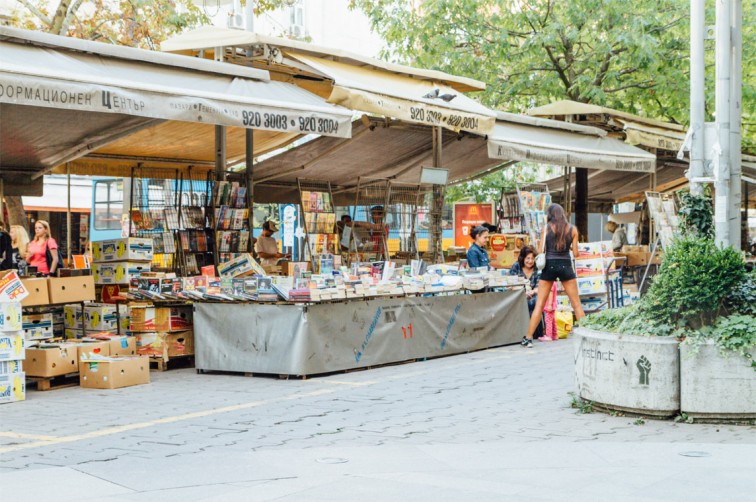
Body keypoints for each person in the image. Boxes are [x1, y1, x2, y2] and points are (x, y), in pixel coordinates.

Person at [522, 204, 585, 348]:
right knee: (576, 304)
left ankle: (528, 338)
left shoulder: (547, 228)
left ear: (550, 214)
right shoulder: (573, 229)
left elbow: (540, 250)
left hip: (549, 266)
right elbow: (576, 254)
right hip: (566, 266)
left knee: (540, 304)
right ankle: (587, 336)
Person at [509, 245, 544, 339]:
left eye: (532, 258)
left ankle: (536, 334)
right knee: (523, 302)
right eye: (527, 258)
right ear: (523, 258)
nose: (530, 261)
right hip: (518, 294)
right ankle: (522, 333)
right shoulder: (516, 266)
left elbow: (540, 286)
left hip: (534, 294)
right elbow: (511, 285)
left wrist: (532, 292)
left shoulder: (538, 268)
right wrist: (523, 292)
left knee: (536, 302)